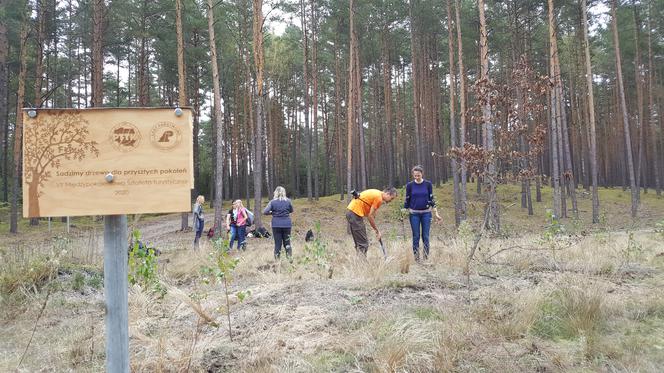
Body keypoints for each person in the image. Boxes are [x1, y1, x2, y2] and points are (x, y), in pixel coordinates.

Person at [403, 165, 442, 261]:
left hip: (426, 214)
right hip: (414, 214)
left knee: (425, 236)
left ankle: (426, 257)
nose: (417, 177)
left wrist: (436, 213)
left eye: (418, 175)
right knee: (416, 236)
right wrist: (403, 212)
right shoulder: (410, 185)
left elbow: (432, 199)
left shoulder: (428, 184)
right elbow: (407, 200)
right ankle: (417, 259)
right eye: (415, 175)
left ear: (422, 174)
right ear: (413, 175)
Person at [346, 187, 397, 255]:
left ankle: (358, 263)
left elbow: (372, 213)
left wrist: (374, 220)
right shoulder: (379, 198)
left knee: (359, 243)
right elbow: (370, 216)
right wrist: (377, 231)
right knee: (363, 243)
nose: (391, 201)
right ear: (387, 194)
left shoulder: (377, 193)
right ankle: (362, 264)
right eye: (391, 198)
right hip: (355, 214)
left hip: (352, 213)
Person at [263, 186, 294, 260]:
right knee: (287, 243)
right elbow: (291, 210)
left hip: (276, 224)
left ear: (276, 193)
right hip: (287, 224)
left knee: (277, 244)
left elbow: (265, 211)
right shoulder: (288, 201)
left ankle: (277, 261)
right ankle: (289, 260)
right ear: (284, 192)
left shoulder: (272, 202)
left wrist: (272, 212)